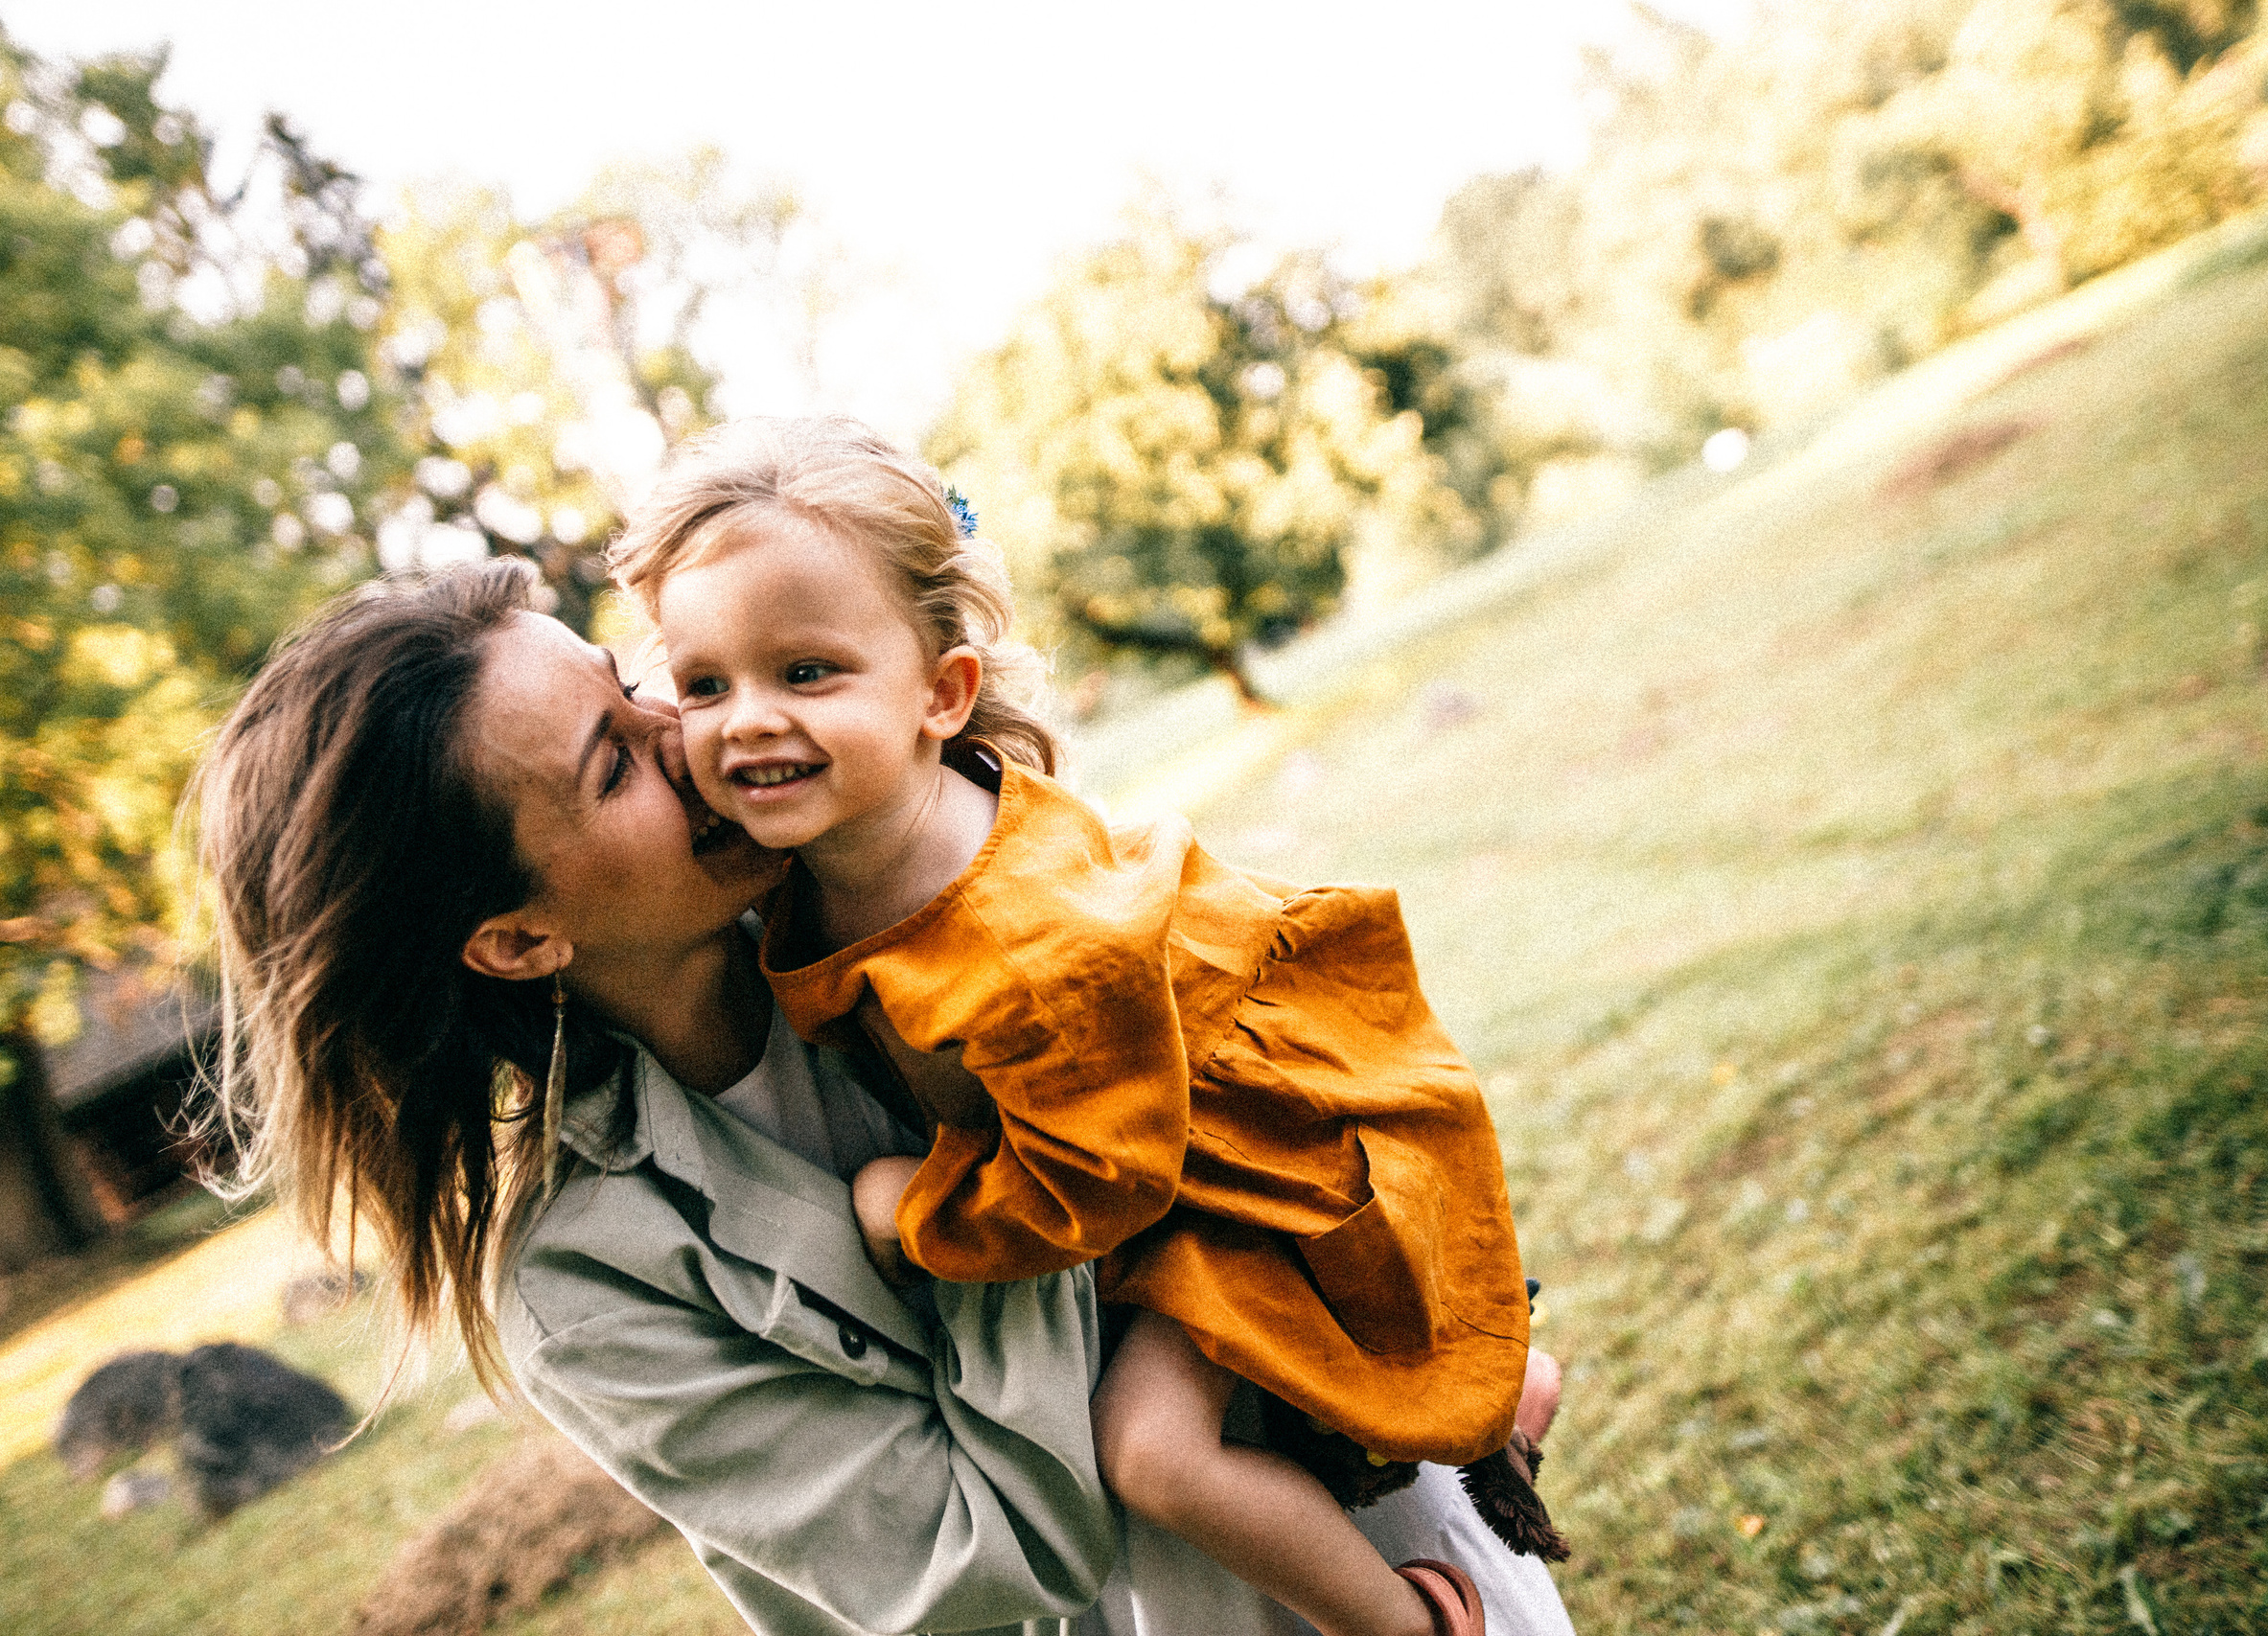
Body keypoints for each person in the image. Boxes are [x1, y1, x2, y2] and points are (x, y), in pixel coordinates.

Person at [192, 559, 1573, 1636]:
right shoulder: (585, 1278)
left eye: (635, 684)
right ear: (515, 938)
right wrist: (964, 1216)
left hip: (1388, 1532)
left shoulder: (901, 883)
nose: (688, 732)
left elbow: (1262, 1040)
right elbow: (986, 1554)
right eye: (612, 763)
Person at [609, 416, 1560, 1636]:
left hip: (1235, 1168)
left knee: (1153, 1457)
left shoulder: (1026, 944)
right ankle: (1494, 1398)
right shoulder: (824, 843)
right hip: (1158, 1149)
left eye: (805, 674)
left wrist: (913, 1210)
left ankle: (1411, 1617)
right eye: (704, 685)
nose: (745, 719)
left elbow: (1097, 1184)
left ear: (941, 694)